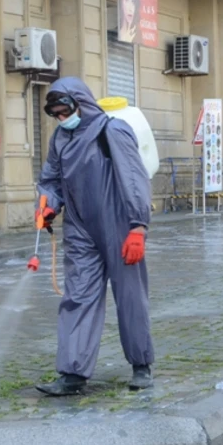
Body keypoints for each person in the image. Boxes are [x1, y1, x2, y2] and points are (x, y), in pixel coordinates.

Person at [34, 78, 154, 396]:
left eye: (65, 111)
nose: (62, 118)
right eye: (56, 114)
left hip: (119, 224)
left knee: (129, 296)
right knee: (78, 296)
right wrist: (47, 206)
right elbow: (51, 179)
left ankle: (141, 366)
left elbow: (133, 177)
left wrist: (138, 227)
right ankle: (73, 373)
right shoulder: (60, 139)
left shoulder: (111, 130)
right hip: (80, 228)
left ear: (81, 104)